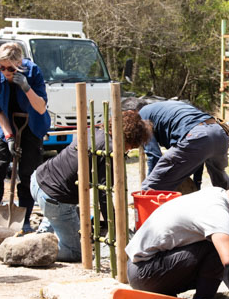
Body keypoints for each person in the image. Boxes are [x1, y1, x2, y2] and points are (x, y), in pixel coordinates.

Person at [125, 171, 229, 299]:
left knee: (218, 244)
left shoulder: (216, 195)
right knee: (216, 250)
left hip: (140, 268)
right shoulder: (216, 210)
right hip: (144, 273)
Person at [30, 109, 153, 262]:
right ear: (129, 138)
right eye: (131, 146)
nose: (129, 150)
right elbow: (103, 194)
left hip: (38, 180)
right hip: (55, 197)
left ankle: (41, 236)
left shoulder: (94, 132)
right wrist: (115, 227)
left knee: (59, 220)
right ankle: (36, 250)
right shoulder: (108, 150)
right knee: (76, 252)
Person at [0, 42, 51, 231]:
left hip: (32, 124)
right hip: (6, 123)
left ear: (19, 63)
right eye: (1, 67)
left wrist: (26, 87)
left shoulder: (33, 71)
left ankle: (25, 220)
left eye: (10, 68)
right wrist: (9, 137)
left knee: (28, 173)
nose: (5, 71)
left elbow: (41, 107)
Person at [139, 99, 229, 192]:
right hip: (219, 132)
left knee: (149, 186)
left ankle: (145, 200)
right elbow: (198, 156)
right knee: (221, 180)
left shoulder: (141, 117)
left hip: (197, 135)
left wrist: (152, 183)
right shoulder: (171, 109)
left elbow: (154, 156)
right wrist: (197, 184)